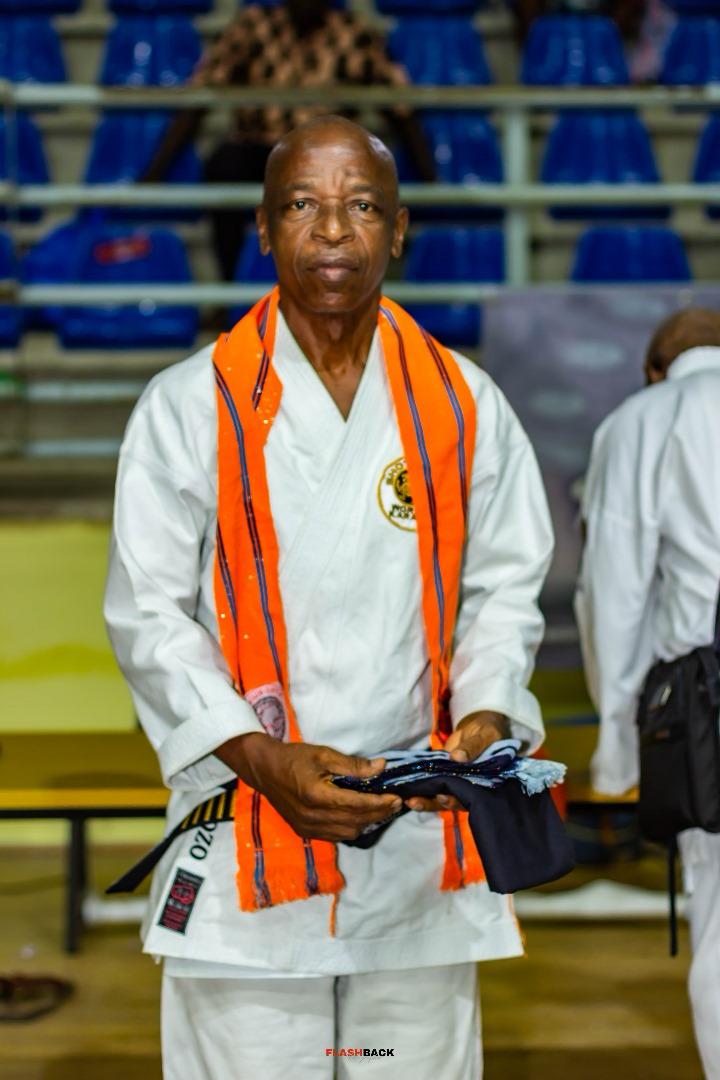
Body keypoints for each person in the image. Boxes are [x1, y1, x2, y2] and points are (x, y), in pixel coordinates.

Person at [105, 115, 554, 1079]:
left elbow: (506, 586)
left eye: (362, 206)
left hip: (418, 835)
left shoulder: (464, 403)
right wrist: (260, 757)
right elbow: (148, 613)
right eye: (304, 205)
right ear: (264, 229)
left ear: (400, 228)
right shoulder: (188, 404)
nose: (335, 230)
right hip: (250, 841)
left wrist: (485, 714)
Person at [575, 307, 720, 1078]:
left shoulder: (645, 419)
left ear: (653, 370)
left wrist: (618, 746)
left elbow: (616, 593)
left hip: (709, 699)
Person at [144, 0, 435, 281]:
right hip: (259, 149)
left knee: (362, 176)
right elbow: (200, 95)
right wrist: (154, 174)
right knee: (224, 165)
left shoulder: (353, 31)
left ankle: (346, 285)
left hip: (325, 155)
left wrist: (431, 181)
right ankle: (232, 284)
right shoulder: (254, 25)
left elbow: (399, 107)